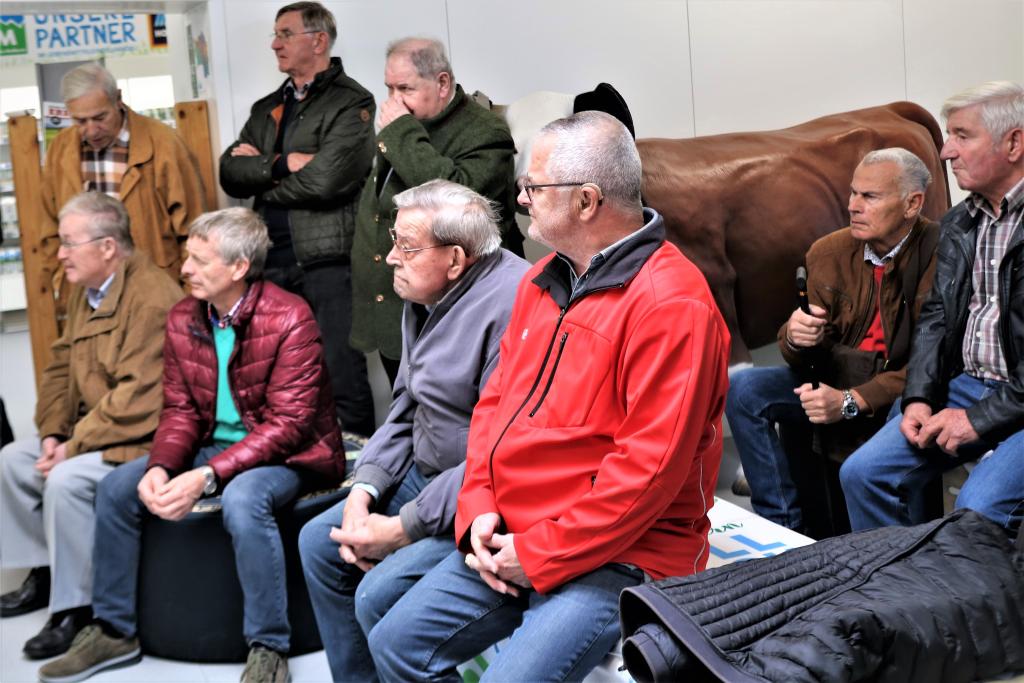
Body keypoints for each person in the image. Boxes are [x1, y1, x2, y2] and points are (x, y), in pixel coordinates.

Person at [365, 111, 730, 682]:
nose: (521, 198)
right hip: (517, 529)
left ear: (586, 201)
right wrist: (479, 507)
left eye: (533, 186)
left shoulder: (671, 305)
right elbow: (493, 411)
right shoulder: (542, 282)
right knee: (393, 640)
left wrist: (538, 554)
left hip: (623, 552)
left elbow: (646, 474)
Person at [38, 208, 346, 683]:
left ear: (239, 267)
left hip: (291, 454)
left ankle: (268, 647)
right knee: (118, 487)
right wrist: (160, 466)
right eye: (188, 257)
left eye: (200, 261)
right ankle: (114, 630)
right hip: (216, 446)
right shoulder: (185, 316)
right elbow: (180, 410)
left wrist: (206, 476)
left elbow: (289, 425)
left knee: (243, 499)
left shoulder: (290, 316)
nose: (184, 269)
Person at [298, 179, 529, 681]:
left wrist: (402, 528)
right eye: (394, 241)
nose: (390, 258)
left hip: (476, 495)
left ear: (455, 259)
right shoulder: (425, 292)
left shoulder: (515, 305)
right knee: (318, 542)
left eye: (406, 246)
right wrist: (363, 491)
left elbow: (497, 456)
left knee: (374, 594)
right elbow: (407, 403)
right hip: (424, 474)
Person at [0, 193, 182, 659]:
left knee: (64, 479)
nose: (60, 253)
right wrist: (52, 433)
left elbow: (139, 399)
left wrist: (73, 446)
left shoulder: (151, 297)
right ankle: (47, 575)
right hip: (98, 432)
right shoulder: (89, 289)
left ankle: (76, 609)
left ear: (106, 247)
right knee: (13, 461)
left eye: (68, 243)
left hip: (144, 439)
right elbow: (61, 366)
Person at [840, 81, 1024, 536]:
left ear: (1014, 143)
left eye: (962, 135)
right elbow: (937, 317)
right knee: (863, 474)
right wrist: (919, 396)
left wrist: (977, 420)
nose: (945, 151)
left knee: (977, 508)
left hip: (1015, 395)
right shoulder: (960, 223)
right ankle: (902, 582)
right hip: (970, 387)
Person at [726, 148, 939, 533]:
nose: (853, 206)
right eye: (853, 192)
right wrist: (795, 336)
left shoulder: (941, 255)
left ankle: (892, 540)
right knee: (744, 388)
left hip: (900, 392)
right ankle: (782, 528)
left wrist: (850, 401)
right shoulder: (827, 252)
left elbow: (934, 366)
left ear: (912, 204)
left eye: (869, 196)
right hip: (837, 378)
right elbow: (804, 359)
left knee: (908, 408)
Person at [220, 1, 377, 437]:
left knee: (341, 372)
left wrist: (264, 178)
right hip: (270, 260)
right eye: (276, 34)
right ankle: (296, 460)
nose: (275, 44)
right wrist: (286, 163)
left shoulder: (352, 101)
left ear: (319, 40)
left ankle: (358, 465)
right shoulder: (267, 107)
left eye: (285, 34)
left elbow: (328, 180)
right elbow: (230, 172)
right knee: (281, 375)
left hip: (328, 262)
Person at [350, 36, 522, 384]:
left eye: (405, 88)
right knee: (406, 406)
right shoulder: (406, 123)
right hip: (395, 302)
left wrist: (400, 132)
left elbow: (456, 202)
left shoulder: (484, 131)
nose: (393, 101)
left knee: (454, 410)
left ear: (442, 83)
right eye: (389, 88)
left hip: (456, 312)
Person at [40, 63, 205, 298]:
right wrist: (61, 282)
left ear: (117, 99)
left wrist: (188, 297)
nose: (92, 130)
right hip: (86, 295)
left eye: (100, 117)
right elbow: (48, 227)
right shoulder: (60, 149)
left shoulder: (164, 143)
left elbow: (194, 229)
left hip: (154, 291)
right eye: (80, 121)